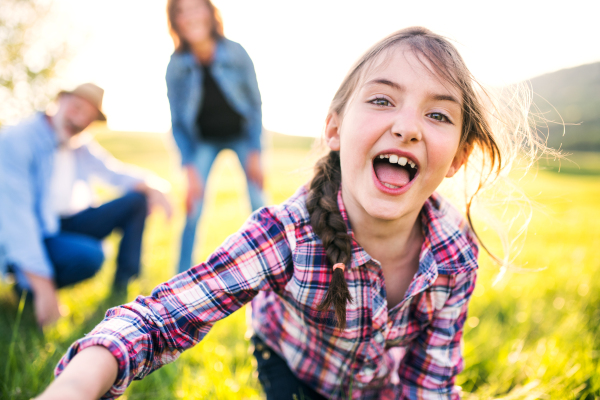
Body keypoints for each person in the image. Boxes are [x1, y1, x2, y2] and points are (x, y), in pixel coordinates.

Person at [35, 27, 552, 399]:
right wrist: (78, 385)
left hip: (377, 382)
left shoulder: (453, 252)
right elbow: (161, 319)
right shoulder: (288, 233)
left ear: (459, 156)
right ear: (333, 130)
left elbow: (431, 381)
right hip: (290, 365)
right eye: (382, 101)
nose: (408, 127)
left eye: (438, 114)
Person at [0, 83, 172, 328]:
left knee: (136, 200)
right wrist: (43, 287)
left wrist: (156, 187)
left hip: (66, 222)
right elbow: (18, 221)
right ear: (59, 101)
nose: (80, 120)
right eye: (77, 108)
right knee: (90, 255)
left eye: (89, 117)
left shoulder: (77, 142)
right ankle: (27, 289)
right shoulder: (18, 140)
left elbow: (113, 172)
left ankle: (123, 288)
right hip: (35, 233)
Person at [165, 0, 265, 273]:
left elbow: (255, 105)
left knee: (259, 201)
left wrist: (256, 151)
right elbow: (178, 124)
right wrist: (189, 169)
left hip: (242, 136)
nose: (190, 16)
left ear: (210, 13)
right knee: (192, 206)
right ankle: (180, 278)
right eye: (181, 12)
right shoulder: (176, 65)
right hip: (202, 142)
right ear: (175, 22)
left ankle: (276, 272)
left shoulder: (235, 52)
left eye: (196, 7)